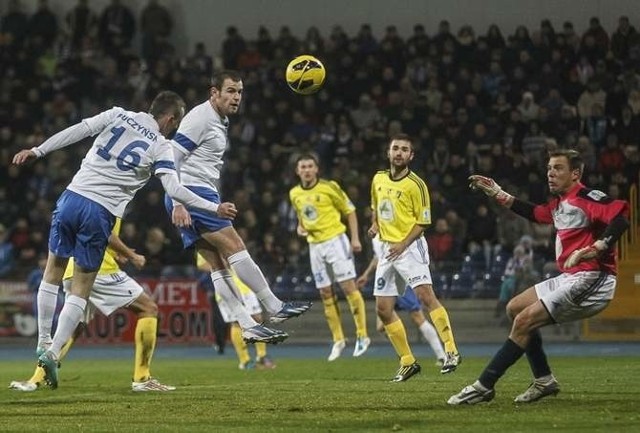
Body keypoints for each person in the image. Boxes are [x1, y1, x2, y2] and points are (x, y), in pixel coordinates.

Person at [12, 90, 236, 390]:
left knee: (52, 272)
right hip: (99, 211)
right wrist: (213, 207)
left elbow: (78, 130)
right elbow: (175, 188)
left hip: (71, 197)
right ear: (170, 119)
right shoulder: (161, 145)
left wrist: (39, 150)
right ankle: (52, 354)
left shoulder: (118, 114)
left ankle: (42, 342)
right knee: (80, 290)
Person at [448, 149, 629, 405]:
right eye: (549, 168)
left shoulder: (587, 197)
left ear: (575, 174)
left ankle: (484, 385)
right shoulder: (558, 204)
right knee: (514, 308)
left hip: (593, 278)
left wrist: (595, 249)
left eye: (558, 168)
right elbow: (535, 213)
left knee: (524, 321)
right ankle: (544, 380)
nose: (550, 173)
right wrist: (498, 194)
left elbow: (621, 220)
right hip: (571, 276)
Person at [165, 70, 311, 346]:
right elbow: (171, 157)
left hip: (195, 192)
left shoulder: (219, 119)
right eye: (230, 91)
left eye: (239, 92)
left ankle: (247, 325)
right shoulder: (200, 117)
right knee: (236, 247)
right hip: (190, 192)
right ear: (214, 93)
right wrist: (177, 202)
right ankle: (273, 305)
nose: (236, 97)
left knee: (218, 266)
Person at [9, 218, 174, 392]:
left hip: (73, 269)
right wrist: (132, 255)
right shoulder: (111, 195)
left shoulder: (84, 200)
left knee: (73, 327)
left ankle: (35, 380)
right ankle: (142, 378)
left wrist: (115, 251)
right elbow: (106, 232)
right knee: (148, 309)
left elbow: (94, 232)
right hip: (97, 269)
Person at [368, 134, 461, 381]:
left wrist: (403, 243)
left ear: (411, 156)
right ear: (388, 153)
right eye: (395, 148)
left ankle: (451, 350)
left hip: (410, 248)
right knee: (383, 309)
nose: (399, 153)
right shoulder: (377, 178)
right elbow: (376, 206)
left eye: (404, 149)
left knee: (425, 296)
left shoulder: (416, 185)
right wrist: (375, 224)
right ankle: (408, 361)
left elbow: (423, 221)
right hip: (388, 249)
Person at [289, 153, 370, 361]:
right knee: (325, 292)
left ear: (316, 169)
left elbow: (350, 211)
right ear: (298, 171)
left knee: (348, 287)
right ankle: (338, 340)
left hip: (335, 241)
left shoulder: (329, 186)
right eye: (303, 167)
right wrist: (300, 228)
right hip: (314, 246)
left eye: (310, 166)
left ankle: (362, 335)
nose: (306, 170)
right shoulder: (294, 193)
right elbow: (301, 216)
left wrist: (355, 239)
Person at [356, 235, 446, 366]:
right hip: (386, 280)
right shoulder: (376, 238)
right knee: (381, 326)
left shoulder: (393, 228)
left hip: (400, 277)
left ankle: (442, 356)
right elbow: (379, 258)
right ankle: (405, 353)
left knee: (417, 317)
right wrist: (366, 275)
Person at [197, 254, 275, 370]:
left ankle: (262, 355)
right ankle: (245, 361)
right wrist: (221, 264)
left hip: (245, 286)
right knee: (236, 322)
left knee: (257, 318)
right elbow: (202, 264)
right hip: (226, 286)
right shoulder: (204, 242)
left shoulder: (229, 237)